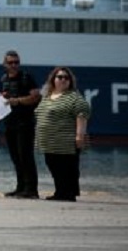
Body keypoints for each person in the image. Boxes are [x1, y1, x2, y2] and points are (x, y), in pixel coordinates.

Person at [35, 67, 90, 202]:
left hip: (65, 140)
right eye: (60, 77)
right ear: (53, 79)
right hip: (49, 141)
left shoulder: (74, 96)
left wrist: (79, 136)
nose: (63, 80)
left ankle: (68, 194)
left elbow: (82, 113)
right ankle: (60, 191)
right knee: (53, 166)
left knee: (66, 167)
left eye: (66, 77)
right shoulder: (48, 95)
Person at [0, 50, 40, 199]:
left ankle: (32, 190)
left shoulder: (26, 77)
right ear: (4, 64)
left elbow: (36, 97)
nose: (14, 65)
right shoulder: (3, 79)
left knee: (25, 156)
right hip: (9, 123)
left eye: (16, 62)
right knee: (15, 157)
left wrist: (17, 100)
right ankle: (20, 188)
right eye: (11, 62)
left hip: (25, 123)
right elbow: (1, 100)